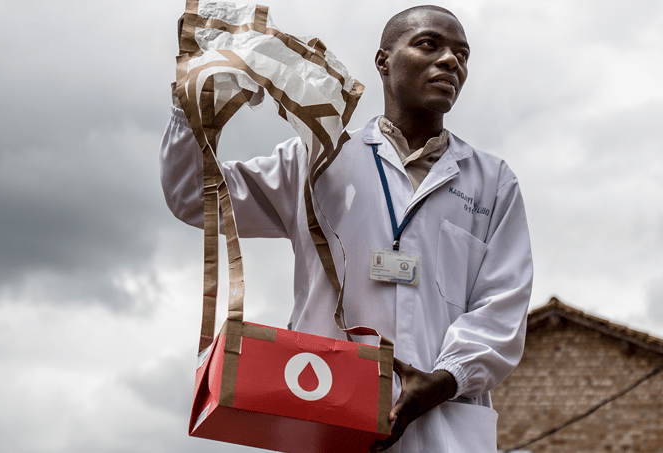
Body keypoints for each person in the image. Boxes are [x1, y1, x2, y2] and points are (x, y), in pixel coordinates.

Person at [160, 5, 533, 452]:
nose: (451, 61)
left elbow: (503, 305)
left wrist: (445, 378)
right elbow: (193, 198)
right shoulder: (318, 159)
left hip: (444, 426)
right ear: (383, 61)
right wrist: (189, 108)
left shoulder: (493, 182)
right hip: (326, 412)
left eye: (462, 54)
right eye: (429, 44)